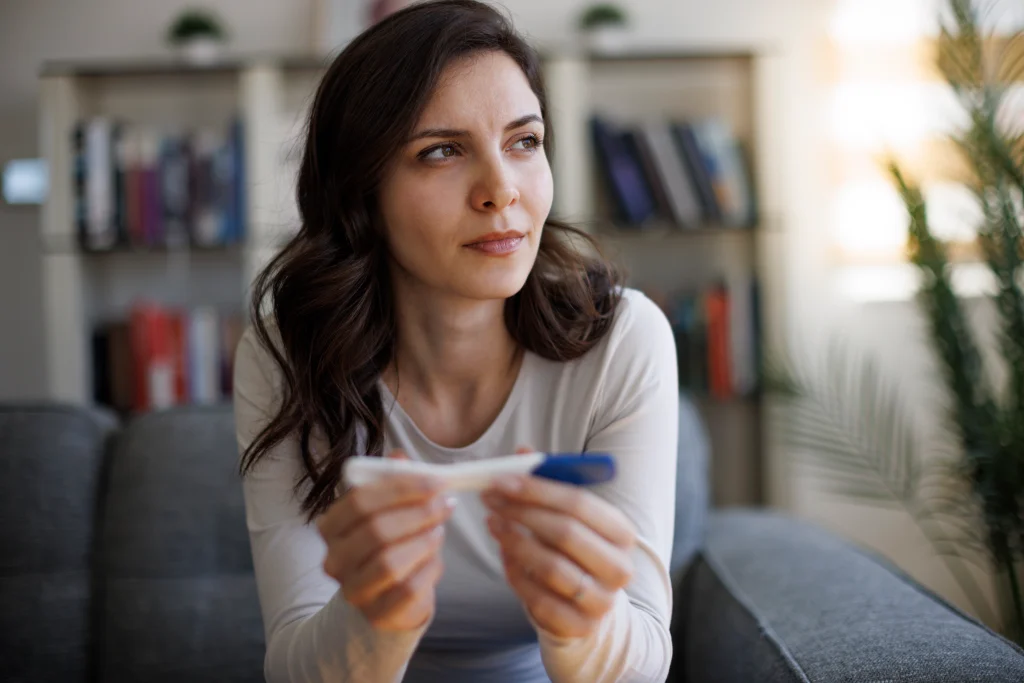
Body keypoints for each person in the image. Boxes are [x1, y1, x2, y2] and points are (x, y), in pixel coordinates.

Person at [233, 1, 679, 681]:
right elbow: (292, 662)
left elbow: (645, 656)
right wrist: (375, 617)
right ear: (362, 191)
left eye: (524, 141)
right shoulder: (285, 354)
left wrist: (580, 622)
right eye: (441, 150)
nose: (502, 191)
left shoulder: (623, 340)